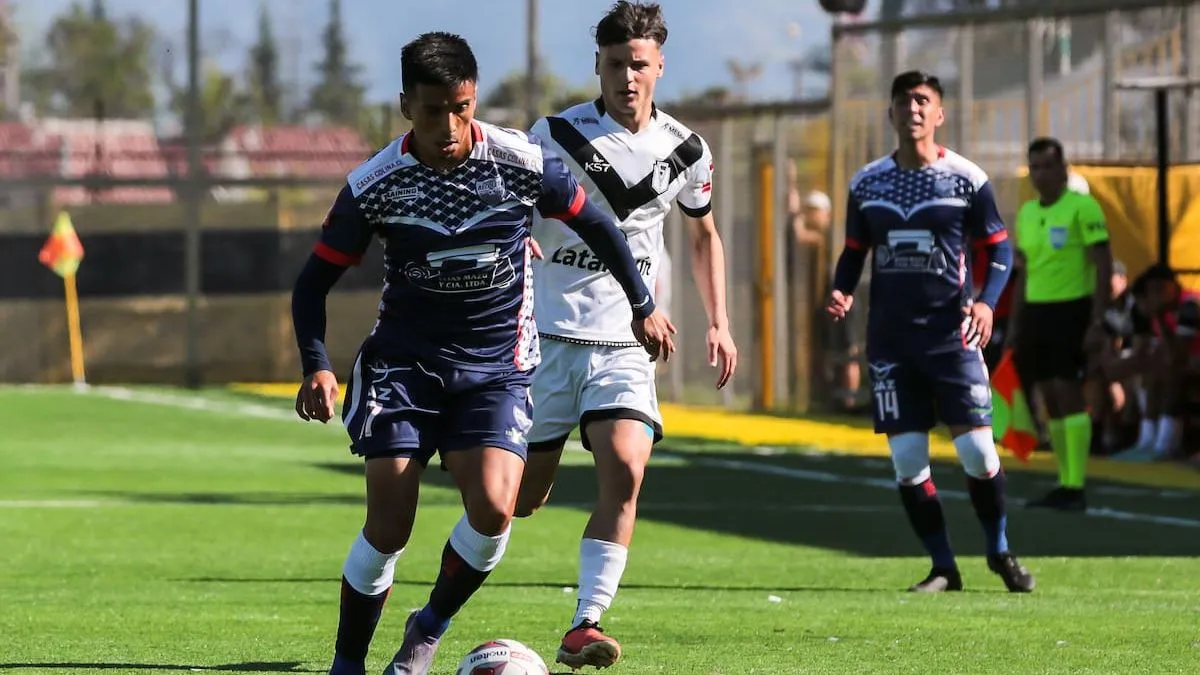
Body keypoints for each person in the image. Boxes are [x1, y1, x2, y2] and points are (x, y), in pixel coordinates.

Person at [290, 32, 673, 675]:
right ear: (406, 104)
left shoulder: (521, 162)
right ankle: (347, 663)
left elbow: (599, 225)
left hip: (495, 368)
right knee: (390, 521)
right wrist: (316, 364)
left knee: (497, 509)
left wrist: (642, 303)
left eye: (462, 107)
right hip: (404, 367)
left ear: (474, 100)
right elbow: (312, 283)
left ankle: (426, 629)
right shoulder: (375, 184)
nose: (450, 125)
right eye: (434, 110)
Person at [516, 2, 737, 668]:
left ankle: (585, 621)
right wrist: (519, 238)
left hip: (625, 341)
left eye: (638, 64)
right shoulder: (553, 134)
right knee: (514, 502)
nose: (627, 77)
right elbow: (517, 208)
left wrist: (719, 320)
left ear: (659, 65)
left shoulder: (687, 151)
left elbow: (702, 234)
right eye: (615, 65)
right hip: (548, 340)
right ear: (599, 67)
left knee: (626, 469)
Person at [826, 70, 1034, 594]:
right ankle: (944, 567)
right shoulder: (866, 182)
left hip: (952, 335)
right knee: (908, 462)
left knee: (980, 455)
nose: (913, 109)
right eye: (903, 101)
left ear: (939, 114)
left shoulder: (968, 178)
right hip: (892, 341)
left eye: (923, 101)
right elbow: (855, 251)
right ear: (890, 114)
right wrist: (841, 289)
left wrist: (987, 304)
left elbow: (1000, 250)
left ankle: (1000, 550)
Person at [1010, 138, 1113, 511]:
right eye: (1034, 167)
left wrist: (1097, 320)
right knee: (1049, 397)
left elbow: (1103, 264)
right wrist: (1016, 323)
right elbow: (1023, 272)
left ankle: (1076, 485)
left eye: (1047, 166)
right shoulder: (1026, 214)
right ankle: (1063, 482)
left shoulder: (1082, 208)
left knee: (1067, 391)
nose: (1040, 174)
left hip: (1072, 310)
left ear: (1064, 169)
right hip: (1037, 313)